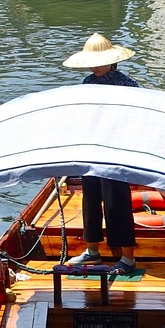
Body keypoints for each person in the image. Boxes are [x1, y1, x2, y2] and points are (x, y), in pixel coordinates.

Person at [62, 33, 139, 277]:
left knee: (117, 201)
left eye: (99, 61)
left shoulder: (126, 84)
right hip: (92, 147)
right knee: (91, 199)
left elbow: (136, 116)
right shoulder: (87, 82)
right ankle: (92, 249)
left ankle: (127, 257)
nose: (94, 67)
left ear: (111, 60)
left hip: (116, 148)